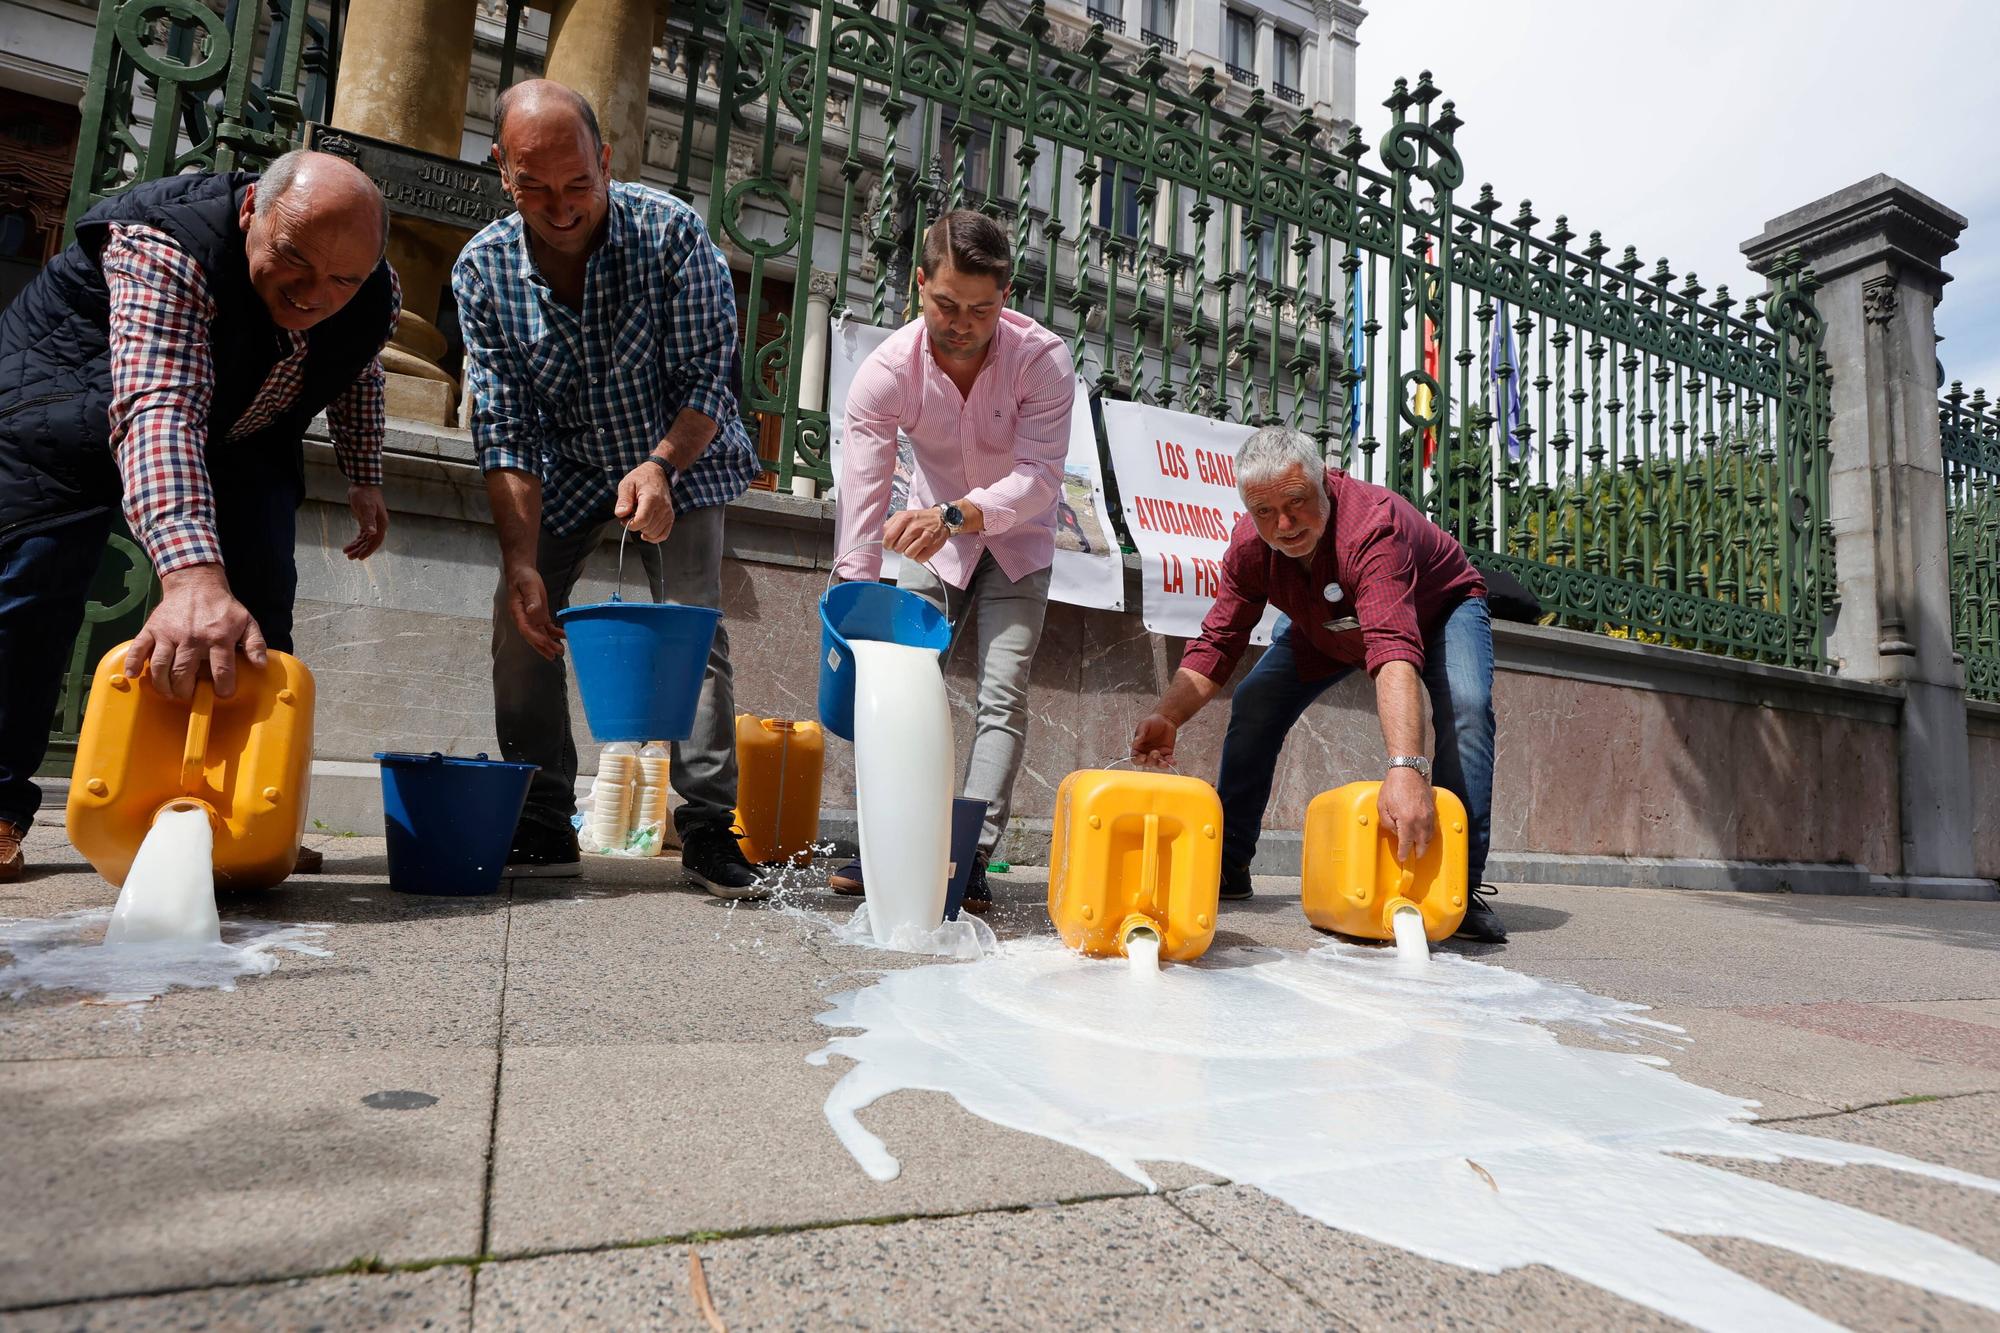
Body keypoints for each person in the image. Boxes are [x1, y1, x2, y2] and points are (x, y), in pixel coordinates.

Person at [0, 151, 399, 884]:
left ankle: (243, 814)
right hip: (63, 401)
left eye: (343, 278)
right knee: (34, 583)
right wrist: (187, 578)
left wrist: (364, 475)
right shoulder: (164, 240)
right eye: (294, 262)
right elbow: (159, 409)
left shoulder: (367, 288)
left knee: (255, 610)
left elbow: (358, 365)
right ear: (251, 211)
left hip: (240, 426)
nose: (316, 294)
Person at [452, 80, 768, 897]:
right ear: (501, 171)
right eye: (535, 188)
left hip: (681, 451)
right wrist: (521, 560)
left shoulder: (672, 234)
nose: (559, 207)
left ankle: (707, 828)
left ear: (606, 160)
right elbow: (504, 426)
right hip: (563, 462)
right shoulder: (482, 271)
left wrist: (661, 466)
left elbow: (711, 378)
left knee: (691, 629)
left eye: (577, 185)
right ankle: (541, 814)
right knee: (519, 614)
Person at [1129, 426, 1507, 943]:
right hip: (1325, 626)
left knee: (1466, 704)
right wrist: (1168, 715)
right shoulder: (1248, 548)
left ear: (1322, 482)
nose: (1283, 525)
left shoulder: (1373, 528)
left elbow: (1392, 648)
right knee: (1257, 699)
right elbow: (1219, 640)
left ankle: (1460, 886)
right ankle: (1229, 865)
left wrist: (1405, 768)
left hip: (1438, 612)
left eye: (1296, 503)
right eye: (1264, 512)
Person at [830, 210, 1075, 913]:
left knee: (1003, 692)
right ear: (918, 287)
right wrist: (852, 595)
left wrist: (955, 515)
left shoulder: (1042, 359)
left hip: (1017, 540)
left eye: (981, 308)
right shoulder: (886, 373)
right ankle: (889, 842)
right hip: (929, 544)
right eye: (945, 305)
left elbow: (1039, 480)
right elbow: (863, 491)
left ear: (1006, 297)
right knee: (905, 683)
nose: (962, 323)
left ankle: (968, 857)